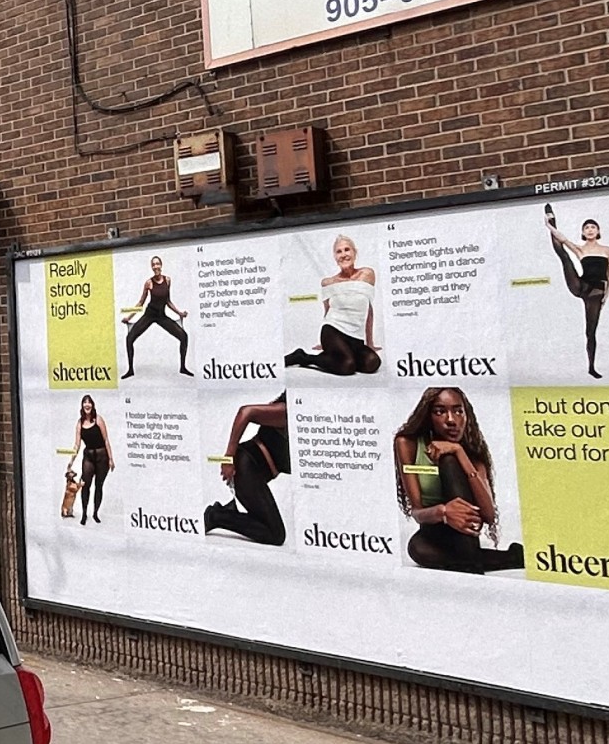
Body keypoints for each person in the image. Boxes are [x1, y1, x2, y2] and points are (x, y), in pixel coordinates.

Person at [394, 385, 523, 573]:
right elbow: (417, 512)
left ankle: (472, 564)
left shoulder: (472, 453)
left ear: (466, 415)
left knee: (449, 461)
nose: (451, 420)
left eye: (458, 411)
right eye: (440, 412)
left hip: (465, 534)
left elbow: (488, 515)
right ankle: (511, 557)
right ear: (429, 417)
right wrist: (445, 512)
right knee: (417, 549)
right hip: (433, 531)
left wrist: (459, 452)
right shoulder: (407, 444)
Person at [286, 234, 381, 374]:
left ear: (355, 252)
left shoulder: (367, 274)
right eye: (339, 251)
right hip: (333, 330)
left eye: (347, 249)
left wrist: (370, 342)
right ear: (335, 257)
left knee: (372, 363)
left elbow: (369, 310)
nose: (343, 254)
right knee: (347, 366)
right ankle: (302, 357)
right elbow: (327, 311)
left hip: (356, 336)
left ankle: (334, 357)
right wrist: (326, 343)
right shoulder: (328, 282)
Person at [204, 395, 288, 545]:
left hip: (256, 473)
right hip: (245, 467)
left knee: (267, 526)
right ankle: (216, 516)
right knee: (275, 535)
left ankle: (229, 511)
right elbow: (246, 412)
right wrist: (228, 458)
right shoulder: (287, 413)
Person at [546, 206, 609, 379]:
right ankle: (551, 217)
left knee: (590, 331)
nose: (590, 230)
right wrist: (549, 226)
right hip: (581, 285)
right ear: (583, 233)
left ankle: (591, 367)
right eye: (586, 228)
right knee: (564, 257)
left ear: (598, 231)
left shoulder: (607, 250)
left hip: (597, 291)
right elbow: (562, 239)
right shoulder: (580, 249)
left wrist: (607, 294)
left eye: (593, 227)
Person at [122, 254, 192, 377]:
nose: (156, 266)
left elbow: (168, 301)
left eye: (157, 264)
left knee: (184, 336)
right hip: (149, 315)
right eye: (153, 264)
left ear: (161, 265)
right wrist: (129, 317)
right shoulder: (148, 283)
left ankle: (183, 367)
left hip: (161, 316)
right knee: (129, 339)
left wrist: (179, 312)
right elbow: (140, 303)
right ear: (151, 267)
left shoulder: (168, 280)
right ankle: (130, 370)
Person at [72, 395, 115, 523]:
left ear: (92, 405)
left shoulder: (98, 420)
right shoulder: (79, 423)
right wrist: (71, 460)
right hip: (89, 456)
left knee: (99, 486)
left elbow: (106, 440)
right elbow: (77, 444)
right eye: (85, 402)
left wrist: (111, 458)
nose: (87, 405)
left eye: (89, 402)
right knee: (86, 485)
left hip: (102, 455)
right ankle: (84, 513)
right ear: (82, 406)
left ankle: (95, 513)